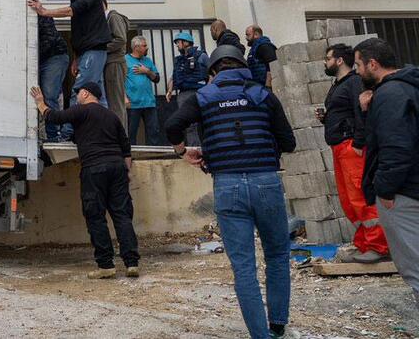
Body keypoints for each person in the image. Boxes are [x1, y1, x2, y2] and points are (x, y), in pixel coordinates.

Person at [165, 45, 297, 339]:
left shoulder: (204, 97)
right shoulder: (263, 95)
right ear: (242, 66)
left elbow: (173, 124)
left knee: (244, 267)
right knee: (276, 255)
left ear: (212, 72)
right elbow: (288, 142)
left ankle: (260, 335)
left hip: (227, 185)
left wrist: (182, 151)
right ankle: (278, 325)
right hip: (267, 182)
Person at [31, 81, 139, 278]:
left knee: (95, 216)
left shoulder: (82, 111)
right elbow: (126, 147)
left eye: (79, 92)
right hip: (117, 169)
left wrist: (40, 102)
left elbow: (55, 117)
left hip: (94, 168)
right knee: (122, 215)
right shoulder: (112, 116)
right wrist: (128, 172)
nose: (77, 95)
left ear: (87, 94)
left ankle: (106, 265)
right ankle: (132, 263)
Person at [354, 38, 419, 309]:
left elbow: (395, 145)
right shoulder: (409, 86)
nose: (356, 71)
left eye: (358, 65)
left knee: (414, 268)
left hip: (404, 193)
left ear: (373, 64)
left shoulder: (391, 95)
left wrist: (385, 190)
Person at [318, 43, 390, 263]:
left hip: (351, 147)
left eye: (328, 58)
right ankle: (364, 244)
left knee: (361, 196)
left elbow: (362, 113)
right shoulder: (337, 85)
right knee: (349, 201)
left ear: (339, 60)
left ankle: (379, 246)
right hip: (339, 146)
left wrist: (359, 143)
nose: (325, 62)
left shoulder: (353, 83)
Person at [28, 0, 112, 108]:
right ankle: (104, 127)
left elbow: (70, 11)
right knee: (97, 96)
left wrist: (44, 11)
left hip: (93, 51)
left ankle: (70, 129)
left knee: (79, 92)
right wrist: (76, 58)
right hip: (87, 53)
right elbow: (79, 33)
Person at [38, 12, 72, 142]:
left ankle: (53, 135)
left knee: (49, 95)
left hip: (54, 56)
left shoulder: (42, 14)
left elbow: (49, 39)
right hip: (43, 57)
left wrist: (34, 56)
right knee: (41, 96)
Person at [125, 36, 163, 145]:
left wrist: (146, 71)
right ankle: (131, 156)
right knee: (131, 133)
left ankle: (153, 156)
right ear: (136, 47)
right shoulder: (125, 60)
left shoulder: (148, 61)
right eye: (144, 45)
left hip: (149, 102)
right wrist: (124, 97)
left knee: (153, 132)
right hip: (133, 103)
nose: (147, 48)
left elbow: (157, 79)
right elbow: (119, 80)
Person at [102, 0, 130, 126]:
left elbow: (121, 39)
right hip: (109, 63)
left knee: (116, 103)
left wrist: (101, 49)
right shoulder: (105, 20)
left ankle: (120, 138)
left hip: (115, 63)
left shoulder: (113, 17)